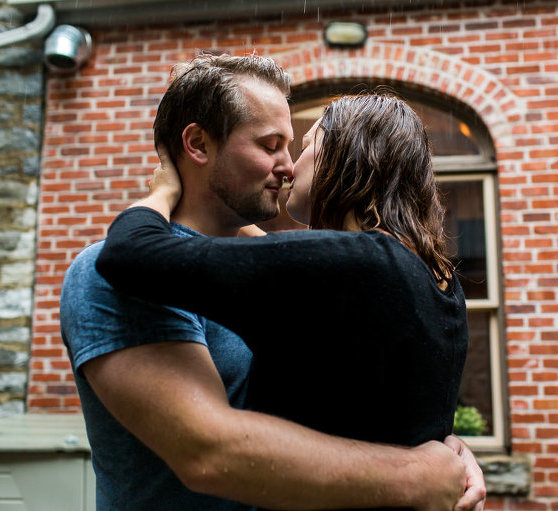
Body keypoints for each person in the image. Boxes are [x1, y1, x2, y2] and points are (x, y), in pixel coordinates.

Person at [61, 53, 485, 511]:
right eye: (269, 145)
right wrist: (420, 474)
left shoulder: (294, 272)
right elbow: (208, 454)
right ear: (198, 144)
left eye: (296, 146)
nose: (287, 167)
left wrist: (447, 449)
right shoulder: (112, 274)